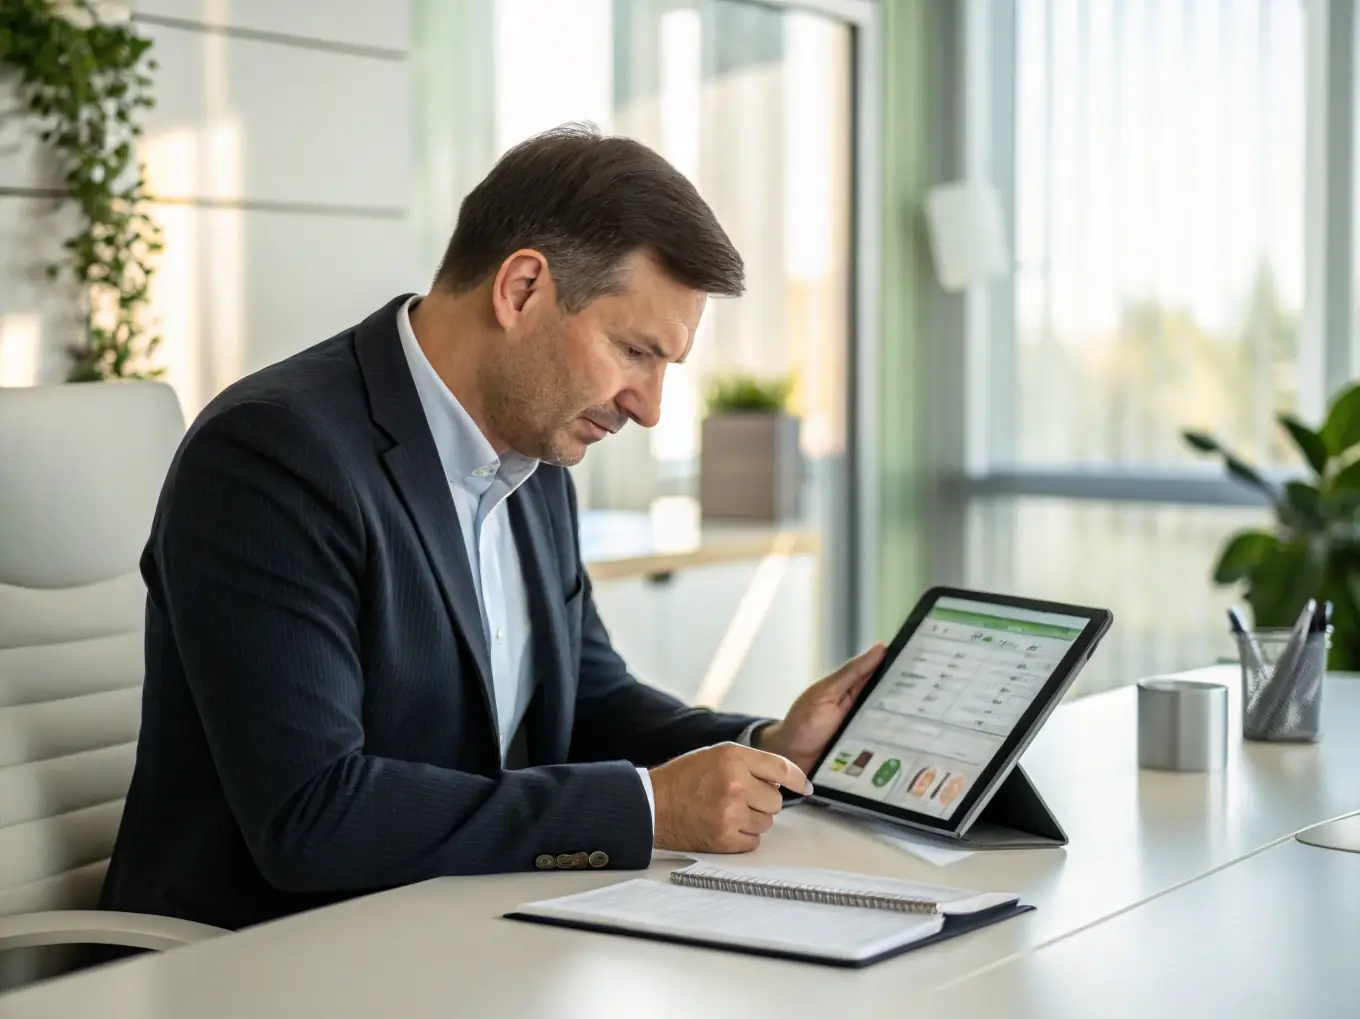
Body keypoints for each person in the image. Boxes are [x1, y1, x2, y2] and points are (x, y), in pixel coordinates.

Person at [98, 123, 885, 932]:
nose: (648, 408)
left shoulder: (534, 457)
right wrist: (648, 808)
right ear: (521, 290)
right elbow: (312, 816)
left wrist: (772, 748)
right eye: (634, 352)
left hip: (455, 931)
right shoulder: (276, 454)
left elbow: (585, 700)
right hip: (256, 960)